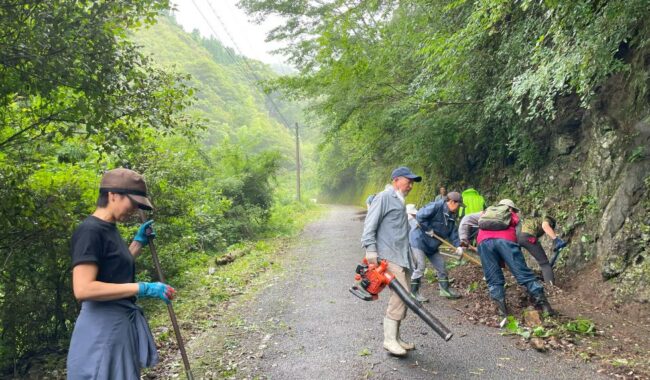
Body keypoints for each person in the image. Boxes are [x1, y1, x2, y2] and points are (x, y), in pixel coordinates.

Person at [67, 168, 176, 379]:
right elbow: (83, 288)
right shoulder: (90, 231)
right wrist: (143, 288)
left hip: (118, 325)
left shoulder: (109, 228)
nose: (135, 209)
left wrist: (138, 242)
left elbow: (114, 270)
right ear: (112, 195)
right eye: (133, 202)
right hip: (101, 330)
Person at [361, 166, 422, 356]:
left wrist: (410, 255)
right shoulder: (384, 197)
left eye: (412, 182)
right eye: (408, 181)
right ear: (396, 180)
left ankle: (396, 337)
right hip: (388, 257)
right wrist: (371, 250)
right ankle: (389, 340)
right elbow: (370, 224)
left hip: (401, 256)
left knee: (404, 295)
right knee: (401, 295)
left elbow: (400, 233)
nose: (410, 185)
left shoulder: (400, 201)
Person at [476, 199, 555, 320]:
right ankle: (545, 307)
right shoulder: (511, 214)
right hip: (505, 241)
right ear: (511, 208)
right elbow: (518, 235)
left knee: (493, 278)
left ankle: (503, 313)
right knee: (524, 274)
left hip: (483, 242)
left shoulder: (487, 213)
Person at [410, 192, 465, 299]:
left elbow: (453, 233)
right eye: (459, 205)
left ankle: (444, 290)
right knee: (420, 266)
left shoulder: (452, 216)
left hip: (432, 245)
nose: (459, 208)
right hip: (419, 241)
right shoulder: (436, 206)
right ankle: (414, 292)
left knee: (441, 266)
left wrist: (458, 246)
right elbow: (420, 215)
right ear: (452, 202)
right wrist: (428, 229)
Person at [517, 215, 567, 284]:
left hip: (516, 239)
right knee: (545, 264)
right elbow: (545, 226)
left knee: (518, 263)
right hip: (528, 237)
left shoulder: (532, 222)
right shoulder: (547, 219)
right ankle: (551, 287)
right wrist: (556, 240)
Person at [406, 204, 428, 303]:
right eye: (413, 214)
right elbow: (419, 226)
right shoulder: (409, 218)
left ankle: (413, 292)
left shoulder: (408, 218)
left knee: (414, 267)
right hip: (411, 245)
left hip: (409, 245)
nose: (415, 216)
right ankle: (414, 293)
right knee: (419, 266)